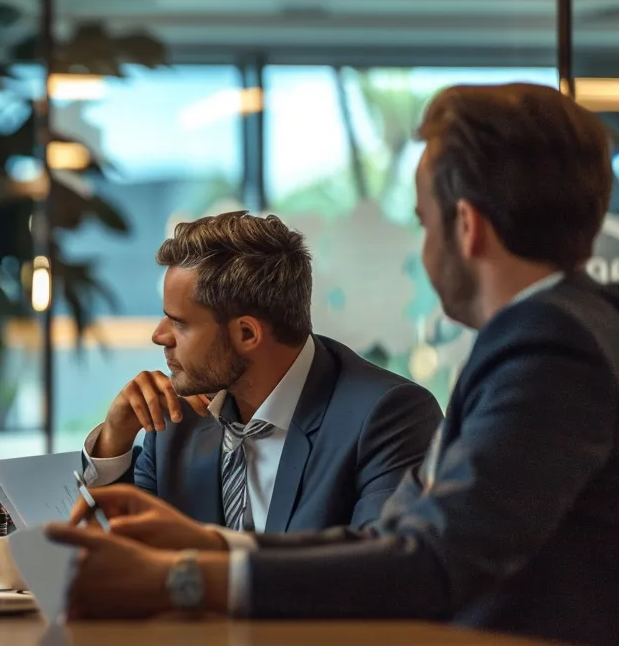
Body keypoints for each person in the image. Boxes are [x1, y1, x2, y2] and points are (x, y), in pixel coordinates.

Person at [46, 83, 619, 645]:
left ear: (466, 227)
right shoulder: (560, 330)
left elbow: (429, 564)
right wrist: (216, 547)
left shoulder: (547, 346)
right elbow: (395, 540)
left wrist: (185, 577)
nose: (423, 250)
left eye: (423, 222)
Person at [83, 212, 440, 533]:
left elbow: (379, 568)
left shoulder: (388, 417)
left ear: (246, 334)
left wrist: (227, 566)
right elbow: (115, 559)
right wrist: (115, 441)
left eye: (180, 323)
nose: (159, 335)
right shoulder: (178, 421)